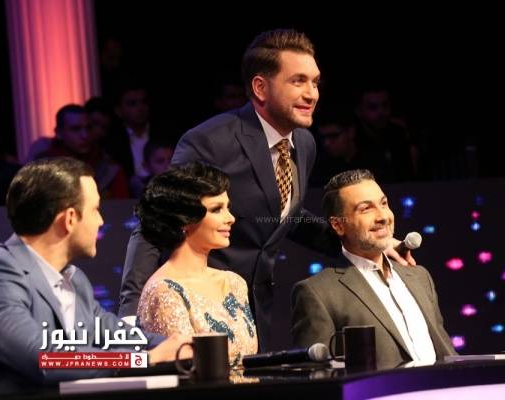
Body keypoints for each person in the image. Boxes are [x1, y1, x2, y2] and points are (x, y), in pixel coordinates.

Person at [119, 29, 413, 350]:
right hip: (196, 309)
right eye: (298, 81)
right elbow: (156, 221)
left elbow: (287, 216)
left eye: (315, 82)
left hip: (254, 308)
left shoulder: (304, 143)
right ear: (260, 87)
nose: (312, 94)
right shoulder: (211, 141)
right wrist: (130, 319)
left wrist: (362, 244)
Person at [0, 158, 187, 395]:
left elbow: (118, 334)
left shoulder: (75, 279)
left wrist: (180, 345)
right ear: (69, 218)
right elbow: (45, 359)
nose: (101, 221)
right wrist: (142, 359)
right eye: (95, 210)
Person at [291, 169, 456, 369]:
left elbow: (445, 351)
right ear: (338, 225)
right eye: (366, 209)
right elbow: (317, 375)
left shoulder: (419, 277)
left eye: (384, 203)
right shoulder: (318, 293)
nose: (382, 216)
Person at [135, 162, 257, 366]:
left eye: (227, 208)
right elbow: (184, 369)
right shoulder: (164, 291)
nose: (231, 218)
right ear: (185, 219)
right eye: (216, 209)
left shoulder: (234, 283)